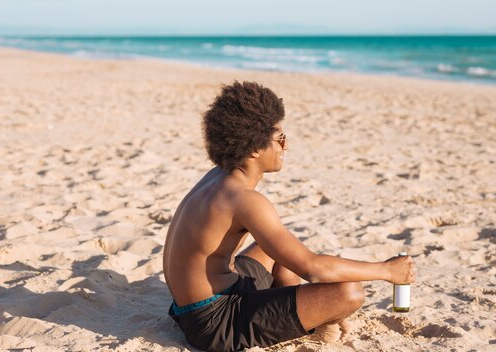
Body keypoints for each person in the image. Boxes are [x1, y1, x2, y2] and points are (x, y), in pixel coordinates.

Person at [163, 81, 415, 351]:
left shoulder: (218, 177)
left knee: (273, 248)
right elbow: (314, 269)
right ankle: (310, 324)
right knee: (348, 293)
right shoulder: (245, 200)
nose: (286, 145)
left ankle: (300, 316)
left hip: (192, 302)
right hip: (213, 323)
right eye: (279, 138)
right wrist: (387, 271)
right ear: (254, 149)